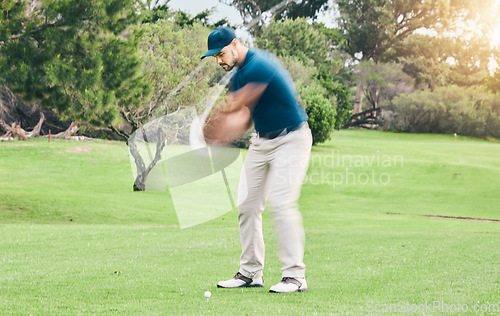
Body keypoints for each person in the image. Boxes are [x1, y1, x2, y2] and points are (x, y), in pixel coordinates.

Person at [201, 26, 312, 293]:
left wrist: (210, 130)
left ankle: (295, 277)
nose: (219, 60)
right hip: (262, 142)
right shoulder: (237, 76)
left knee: (282, 204)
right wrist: (216, 137)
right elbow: (244, 119)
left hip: (291, 138)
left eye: (221, 53)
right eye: (215, 57)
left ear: (235, 44)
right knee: (247, 205)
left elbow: (238, 104)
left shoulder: (259, 65)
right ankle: (250, 273)